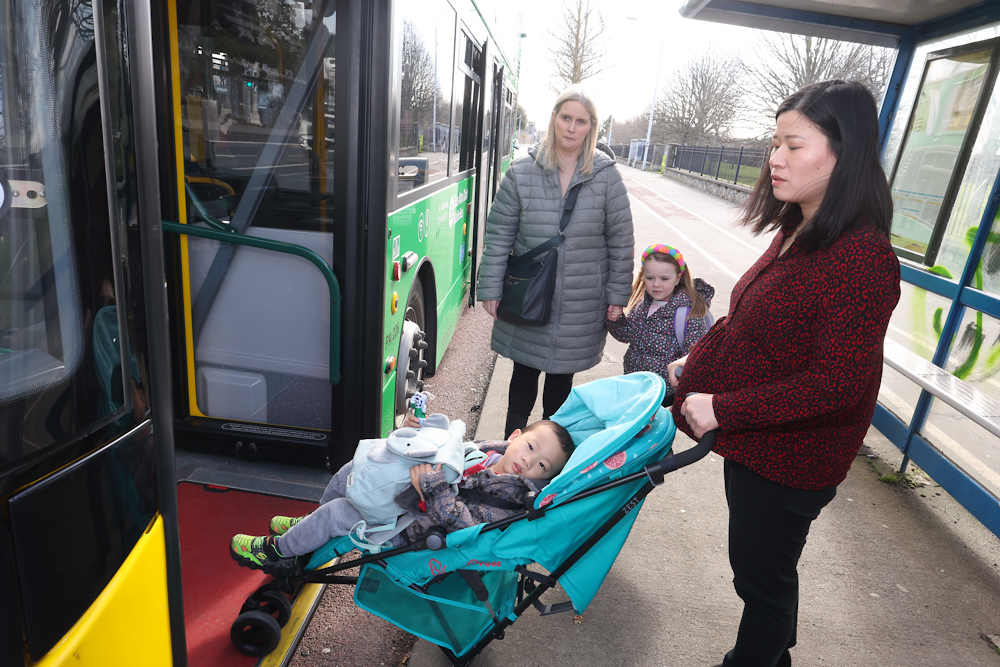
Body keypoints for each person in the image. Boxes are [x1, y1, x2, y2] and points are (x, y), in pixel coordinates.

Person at [668, 80, 900, 667]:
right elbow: (748, 323)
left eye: (793, 145)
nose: (774, 158)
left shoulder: (863, 259)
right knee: (763, 572)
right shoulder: (799, 228)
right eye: (774, 143)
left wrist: (723, 408)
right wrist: (690, 368)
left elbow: (838, 385)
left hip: (793, 460)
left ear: (843, 153)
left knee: (761, 583)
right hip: (758, 449)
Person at [477, 86, 634, 438]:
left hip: (581, 301)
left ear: (591, 127)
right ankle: (509, 453)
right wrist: (490, 287)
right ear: (554, 119)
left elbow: (621, 241)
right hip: (529, 293)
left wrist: (617, 295)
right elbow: (499, 234)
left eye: (581, 121)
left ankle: (548, 462)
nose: (572, 127)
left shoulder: (607, 177)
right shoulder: (521, 173)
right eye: (566, 118)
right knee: (522, 379)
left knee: (561, 389)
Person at [229, 416, 574, 575]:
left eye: (542, 465)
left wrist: (435, 487)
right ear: (514, 435)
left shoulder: (510, 501)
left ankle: (280, 553)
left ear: (545, 479)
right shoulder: (486, 452)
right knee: (352, 471)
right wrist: (422, 430)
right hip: (408, 498)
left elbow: (467, 527)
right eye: (530, 446)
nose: (528, 461)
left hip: (411, 529)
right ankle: (309, 531)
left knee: (338, 513)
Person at [606, 243, 714, 406]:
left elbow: (693, 355)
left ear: (677, 278)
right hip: (636, 383)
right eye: (650, 278)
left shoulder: (688, 312)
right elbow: (627, 335)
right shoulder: (643, 304)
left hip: (664, 392)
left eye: (664, 279)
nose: (656, 284)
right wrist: (615, 319)